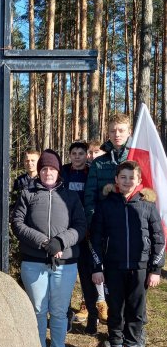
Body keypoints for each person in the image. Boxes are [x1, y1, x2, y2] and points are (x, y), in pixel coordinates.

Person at [11, 149, 86, 347]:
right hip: (34, 262)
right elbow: (17, 223)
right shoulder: (28, 193)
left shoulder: (70, 196)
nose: (47, 173)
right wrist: (44, 242)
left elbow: (81, 226)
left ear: (58, 171)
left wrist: (61, 242)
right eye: (44, 168)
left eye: (52, 168)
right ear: (39, 171)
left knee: (59, 311)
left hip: (66, 263)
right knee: (38, 310)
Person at [89, 161, 165, 347]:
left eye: (132, 178)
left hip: (140, 269)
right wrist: (97, 267)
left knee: (136, 311)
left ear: (139, 181)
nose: (127, 181)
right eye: (123, 177)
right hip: (113, 267)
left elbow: (159, 239)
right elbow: (95, 238)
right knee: (116, 310)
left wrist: (155, 269)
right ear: (116, 180)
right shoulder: (105, 205)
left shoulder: (147, 206)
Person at [61, 141, 108, 334]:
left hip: (88, 231)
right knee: (63, 279)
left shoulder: (92, 172)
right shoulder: (63, 172)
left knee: (89, 277)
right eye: (74, 153)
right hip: (67, 230)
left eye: (82, 153)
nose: (78, 156)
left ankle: (92, 320)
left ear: (86, 155)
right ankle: (64, 319)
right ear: (70, 155)